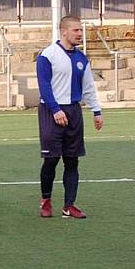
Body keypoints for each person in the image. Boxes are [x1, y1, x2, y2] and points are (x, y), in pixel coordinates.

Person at [36, 15, 103, 219]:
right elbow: (44, 86)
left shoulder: (82, 58)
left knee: (72, 161)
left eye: (81, 30)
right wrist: (56, 110)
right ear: (63, 31)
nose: (80, 34)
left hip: (74, 111)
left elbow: (89, 87)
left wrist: (96, 111)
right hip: (50, 110)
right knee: (51, 159)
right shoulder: (48, 55)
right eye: (76, 30)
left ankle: (69, 205)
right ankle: (46, 200)